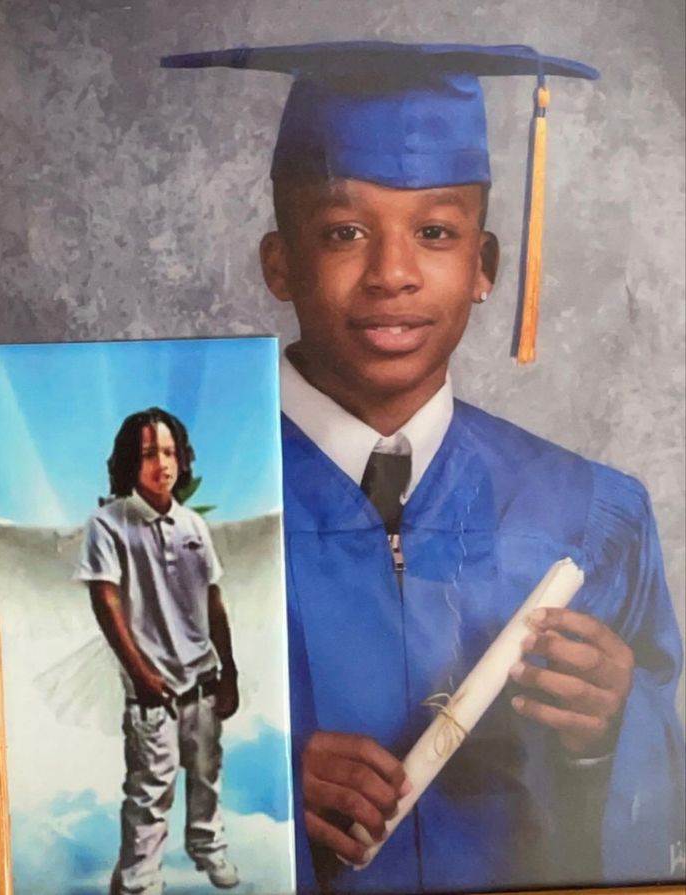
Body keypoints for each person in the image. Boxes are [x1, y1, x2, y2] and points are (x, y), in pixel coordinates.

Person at [161, 44, 685, 893]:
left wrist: (609, 730)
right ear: (279, 261)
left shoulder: (589, 513)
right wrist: (250, 781)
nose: (393, 274)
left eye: (435, 233)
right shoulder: (175, 513)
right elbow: (62, 758)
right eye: (343, 232)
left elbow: (657, 800)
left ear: (484, 268)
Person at [76, 407, 240, 893]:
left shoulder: (193, 525)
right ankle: (139, 880)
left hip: (203, 681)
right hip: (154, 689)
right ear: (131, 460)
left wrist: (228, 671)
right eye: (149, 453)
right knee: (150, 789)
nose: (161, 463)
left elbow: (214, 600)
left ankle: (206, 847)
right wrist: (141, 673)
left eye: (169, 452)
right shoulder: (108, 524)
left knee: (207, 775)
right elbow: (105, 600)